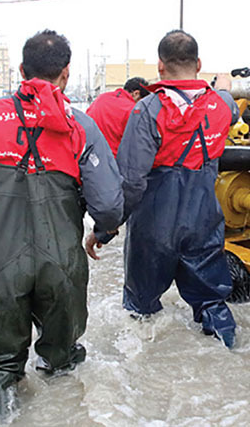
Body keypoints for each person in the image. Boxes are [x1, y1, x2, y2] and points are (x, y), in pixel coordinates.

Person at [0, 30, 124, 421]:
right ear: (66, 74)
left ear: (20, 70)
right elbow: (110, 204)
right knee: (64, 369)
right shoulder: (80, 126)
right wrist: (100, 232)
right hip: (62, 268)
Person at [87, 30, 240, 349]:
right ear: (199, 63)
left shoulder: (147, 111)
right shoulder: (221, 106)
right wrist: (224, 87)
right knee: (212, 302)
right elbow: (229, 102)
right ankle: (228, 349)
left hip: (153, 230)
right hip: (204, 224)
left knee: (141, 313)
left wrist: (104, 229)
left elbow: (130, 182)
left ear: (160, 66)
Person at [86, 77, 150, 156]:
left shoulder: (101, 98)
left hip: (89, 155)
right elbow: (138, 143)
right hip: (113, 160)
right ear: (136, 94)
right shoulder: (132, 110)